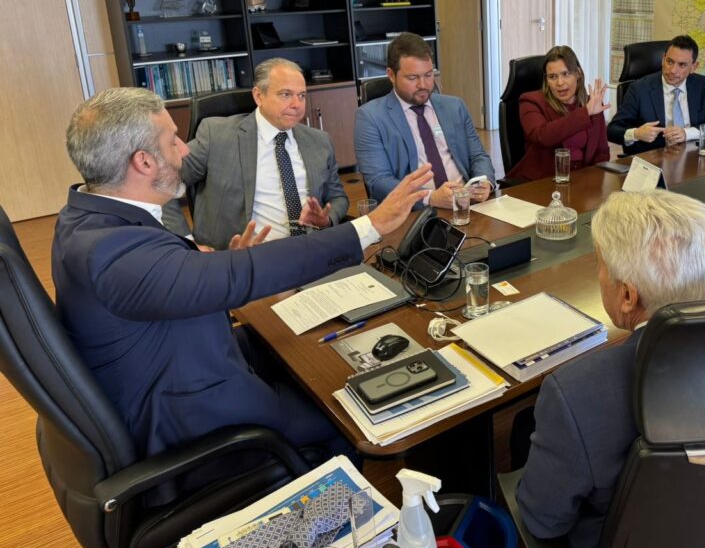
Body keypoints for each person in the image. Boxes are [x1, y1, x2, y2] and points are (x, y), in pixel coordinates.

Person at [54, 86, 431, 471]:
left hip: (185, 356)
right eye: (173, 140)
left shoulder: (87, 217)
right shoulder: (113, 252)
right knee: (344, 409)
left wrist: (216, 267)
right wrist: (369, 227)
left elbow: (178, 282)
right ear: (144, 162)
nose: (184, 150)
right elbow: (241, 274)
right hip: (194, 416)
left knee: (307, 347)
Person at [517, 190, 705, 548]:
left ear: (628, 296)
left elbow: (543, 522)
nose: (599, 276)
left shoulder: (575, 394)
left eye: (600, 266)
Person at [166, 57, 351, 249]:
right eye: (286, 94)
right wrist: (187, 243)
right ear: (258, 96)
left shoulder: (319, 141)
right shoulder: (216, 136)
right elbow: (159, 184)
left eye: (302, 95)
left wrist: (325, 219)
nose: (297, 104)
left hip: (310, 249)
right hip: (239, 257)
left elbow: (338, 197)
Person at [355, 32, 495, 207]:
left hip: (467, 204)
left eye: (428, 75)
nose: (423, 85)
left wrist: (484, 182)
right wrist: (430, 198)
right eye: (412, 78)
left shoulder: (454, 106)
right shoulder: (370, 117)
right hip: (416, 212)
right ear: (391, 75)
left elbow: (478, 156)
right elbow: (378, 182)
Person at [607, 35, 705, 155]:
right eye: (670, 61)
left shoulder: (701, 85)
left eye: (682, 65)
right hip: (654, 159)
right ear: (663, 59)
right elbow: (612, 130)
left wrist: (687, 133)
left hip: (691, 156)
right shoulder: (639, 89)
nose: (673, 70)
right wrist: (636, 133)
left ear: (693, 67)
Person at [506, 45, 610, 182]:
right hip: (541, 183)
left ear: (578, 73)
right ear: (546, 80)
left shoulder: (591, 104)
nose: (559, 83)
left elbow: (601, 153)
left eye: (565, 74)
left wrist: (595, 185)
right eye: (553, 77)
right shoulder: (531, 101)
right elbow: (543, 136)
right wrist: (585, 112)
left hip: (582, 181)